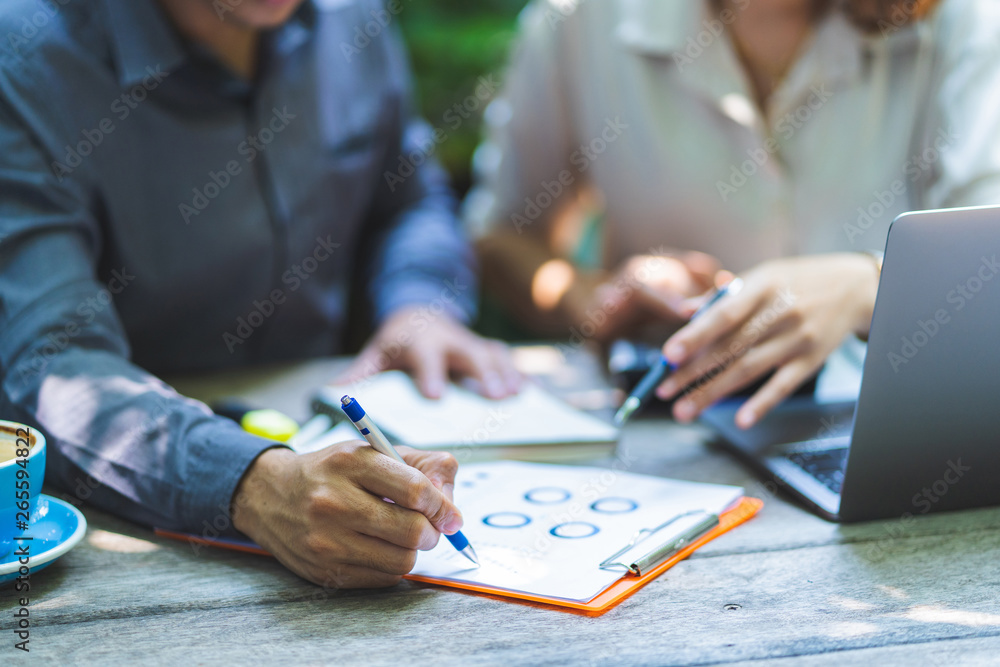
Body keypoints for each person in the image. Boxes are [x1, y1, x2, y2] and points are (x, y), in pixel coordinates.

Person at [0, 0, 521, 588]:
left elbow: (408, 200)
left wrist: (419, 302)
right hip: (139, 538)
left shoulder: (353, 17)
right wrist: (250, 483)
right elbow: (52, 361)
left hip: (331, 423)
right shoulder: (22, 55)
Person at [469, 0, 1000, 429]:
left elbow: (988, 253)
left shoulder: (963, 20)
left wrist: (866, 286)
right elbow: (502, 237)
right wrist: (599, 299)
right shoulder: (579, 22)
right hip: (672, 435)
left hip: (898, 436)